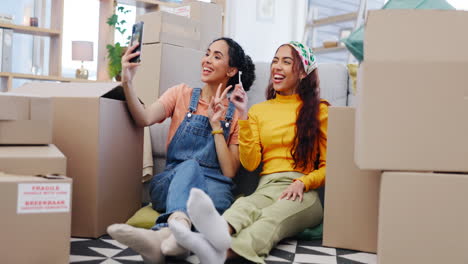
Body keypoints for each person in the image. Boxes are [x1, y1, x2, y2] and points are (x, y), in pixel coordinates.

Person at [168, 41, 329, 264]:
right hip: (266, 186)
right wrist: (243, 116)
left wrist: (304, 183)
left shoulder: (320, 110)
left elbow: (330, 167)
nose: (276, 67)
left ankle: (222, 254)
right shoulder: (258, 111)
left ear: (302, 72)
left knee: (271, 218)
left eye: (286, 61)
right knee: (243, 206)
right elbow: (251, 164)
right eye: (275, 61)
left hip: (302, 190)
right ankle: (208, 240)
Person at [107, 37, 255, 263]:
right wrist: (127, 81)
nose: (207, 60)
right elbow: (144, 117)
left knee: (207, 201)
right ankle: (175, 233)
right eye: (207, 53)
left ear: (231, 70)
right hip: (172, 181)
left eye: (217, 56)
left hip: (213, 188)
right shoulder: (181, 94)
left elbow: (229, 172)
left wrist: (216, 126)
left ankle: (167, 238)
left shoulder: (236, 112)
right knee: (190, 167)